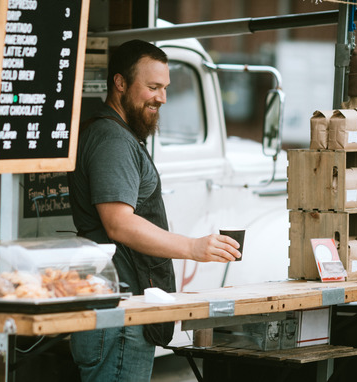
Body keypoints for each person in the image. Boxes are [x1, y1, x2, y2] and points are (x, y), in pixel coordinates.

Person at [68, 39, 242, 381]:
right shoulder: (112, 141)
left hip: (118, 308)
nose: (161, 98)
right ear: (120, 83)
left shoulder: (110, 133)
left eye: (164, 88)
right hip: (119, 311)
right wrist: (193, 247)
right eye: (152, 87)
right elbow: (119, 224)